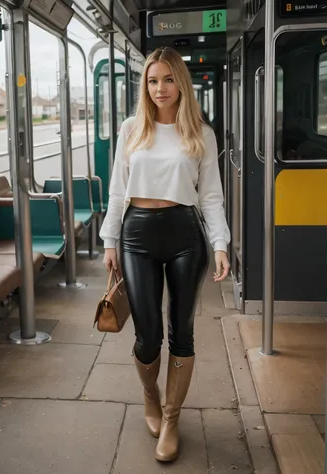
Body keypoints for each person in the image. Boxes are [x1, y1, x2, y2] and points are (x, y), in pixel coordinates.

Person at [99, 47, 231, 463]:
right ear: (145, 85)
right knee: (147, 335)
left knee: (182, 331)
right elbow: (118, 189)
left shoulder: (200, 133)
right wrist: (109, 240)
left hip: (185, 236)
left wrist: (220, 244)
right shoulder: (131, 129)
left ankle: (171, 419)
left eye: (168, 79)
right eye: (153, 81)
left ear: (181, 83)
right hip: (136, 234)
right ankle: (149, 396)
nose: (160, 88)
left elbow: (211, 196)